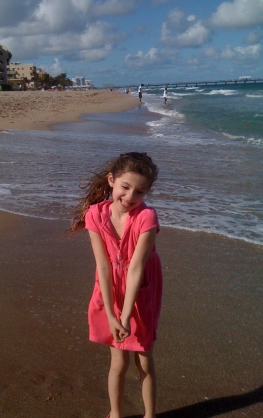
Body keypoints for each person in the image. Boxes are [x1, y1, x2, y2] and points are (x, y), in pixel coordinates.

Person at [71, 152, 162, 418]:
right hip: (110, 287)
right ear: (112, 180)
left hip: (141, 286)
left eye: (140, 192)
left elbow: (135, 268)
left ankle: (150, 415)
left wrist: (124, 316)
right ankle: (116, 413)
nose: (130, 196)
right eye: (125, 187)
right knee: (118, 361)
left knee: (144, 359)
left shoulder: (147, 218)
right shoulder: (95, 215)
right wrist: (112, 315)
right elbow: (103, 266)